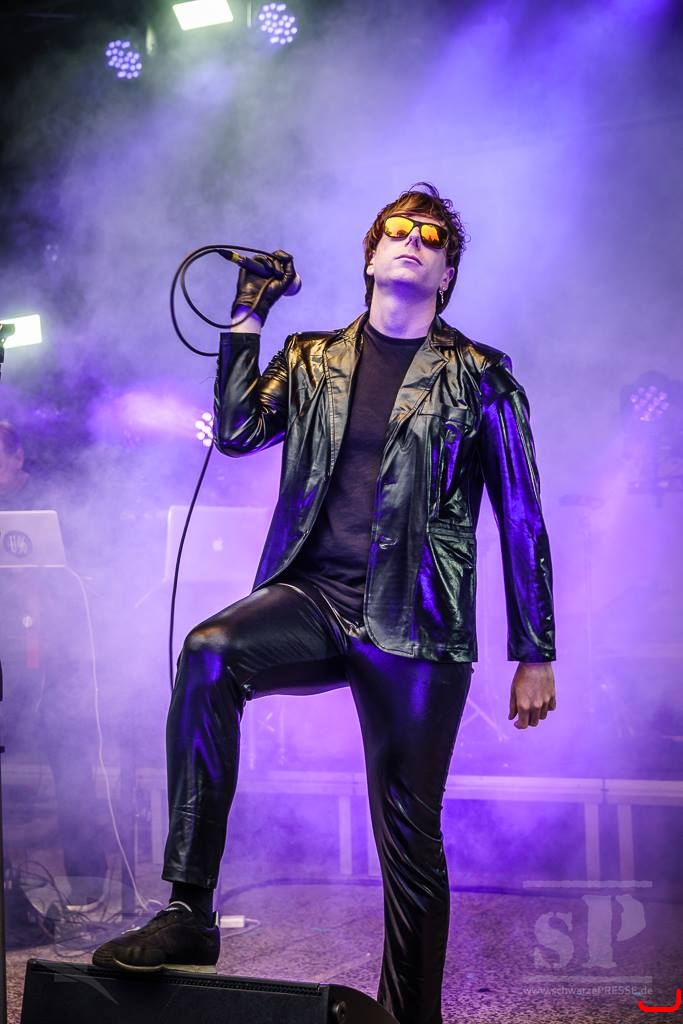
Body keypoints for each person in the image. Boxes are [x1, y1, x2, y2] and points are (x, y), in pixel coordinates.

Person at [93, 184, 556, 1024]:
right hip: (312, 596)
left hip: (417, 621)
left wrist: (535, 650)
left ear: (447, 275)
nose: (412, 240)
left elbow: (520, 514)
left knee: (408, 837)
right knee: (209, 651)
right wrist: (247, 313)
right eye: (396, 230)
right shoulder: (310, 358)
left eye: (432, 237)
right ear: (370, 256)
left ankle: (410, 1016)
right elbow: (237, 431)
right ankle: (188, 911)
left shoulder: (480, 376)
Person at [0, 420, 108, 916]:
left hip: (55, 651)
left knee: (70, 760)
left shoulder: (55, 501)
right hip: (8, 652)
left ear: (17, 456)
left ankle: (86, 877)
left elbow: (87, 573)